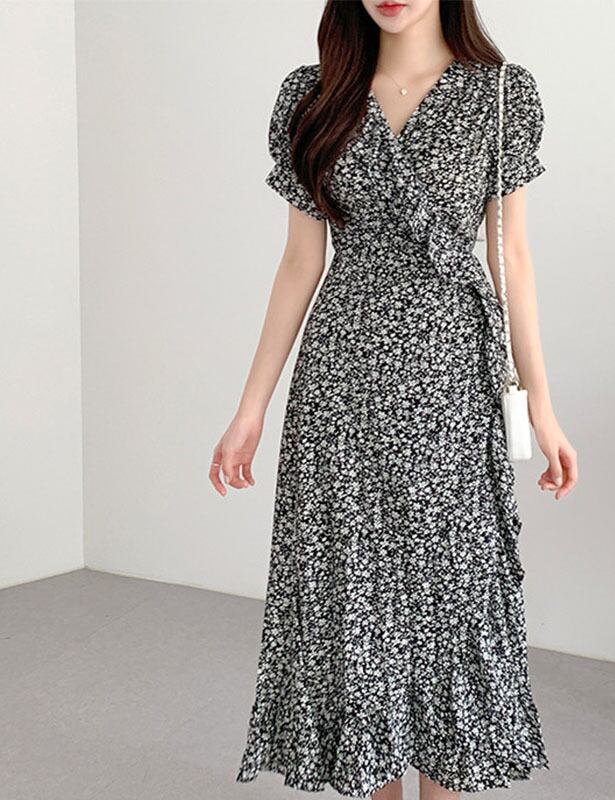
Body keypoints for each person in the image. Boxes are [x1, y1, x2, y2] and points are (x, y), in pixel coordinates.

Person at [211, 1, 578, 798]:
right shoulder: (313, 95)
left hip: (452, 382)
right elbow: (300, 261)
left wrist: (542, 406)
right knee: (356, 605)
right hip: (341, 384)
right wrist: (251, 407)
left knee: (450, 601)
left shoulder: (501, 94)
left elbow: (511, 258)